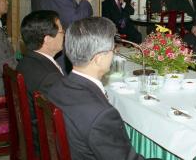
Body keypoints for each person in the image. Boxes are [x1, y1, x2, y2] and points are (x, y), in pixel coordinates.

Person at [46, 17, 145, 160]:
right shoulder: (102, 115)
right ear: (98, 59)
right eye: (112, 50)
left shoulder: (57, 87)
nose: (114, 53)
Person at [17, 10, 65, 154]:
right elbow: (68, 113)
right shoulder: (48, 76)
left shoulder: (24, 62)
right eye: (62, 31)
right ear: (47, 39)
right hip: (47, 144)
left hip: (32, 134)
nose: (64, 35)